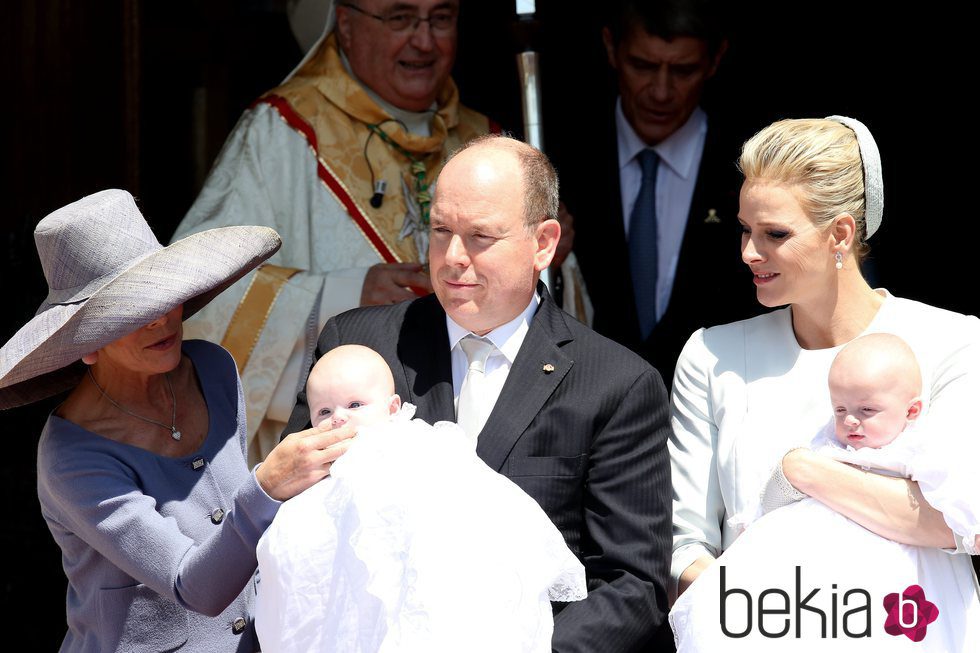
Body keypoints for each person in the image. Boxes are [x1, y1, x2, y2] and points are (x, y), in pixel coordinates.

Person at [282, 134, 671, 651]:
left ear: (544, 243)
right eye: (441, 231)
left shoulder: (617, 384)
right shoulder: (357, 345)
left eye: (481, 236)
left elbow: (633, 583)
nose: (453, 257)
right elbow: (296, 512)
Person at [170, 0, 590, 467]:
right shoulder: (284, 132)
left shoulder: (485, 141)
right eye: (400, 18)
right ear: (346, 24)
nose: (424, 40)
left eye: (441, 18)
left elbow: (562, 323)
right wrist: (343, 293)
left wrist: (547, 255)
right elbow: (198, 289)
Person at [670, 116, 980, 649]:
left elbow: (958, 523)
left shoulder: (952, 341)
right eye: (745, 230)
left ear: (840, 233)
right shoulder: (710, 355)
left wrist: (803, 471)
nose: (748, 252)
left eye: (775, 234)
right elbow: (684, 544)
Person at [0, 189, 355, 652]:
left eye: (164, 295)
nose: (162, 318)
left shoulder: (213, 367)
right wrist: (267, 484)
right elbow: (195, 587)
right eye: (131, 311)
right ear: (84, 343)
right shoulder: (71, 456)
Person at [255, 344, 586, 652]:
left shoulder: (421, 448)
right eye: (324, 411)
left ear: (392, 407)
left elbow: (478, 512)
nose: (338, 418)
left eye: (355, 405)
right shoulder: (314, 476)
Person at [669, 333, 980, 651]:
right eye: (840, 409)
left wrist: (972, 525)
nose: (850, 420)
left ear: (911, 411)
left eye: (868, 410)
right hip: (821, 573)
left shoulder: (916, 446)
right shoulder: (828, 441)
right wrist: (756, 523)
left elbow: (952, 486)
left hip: (897, 569)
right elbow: (781, 489)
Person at [553, 0, 757, 385]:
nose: (661, 92)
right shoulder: (561, 154)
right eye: (643, 66)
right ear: (610, 48)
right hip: (585, 399)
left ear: (715, 61)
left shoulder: (751, 165)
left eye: (683, 70)